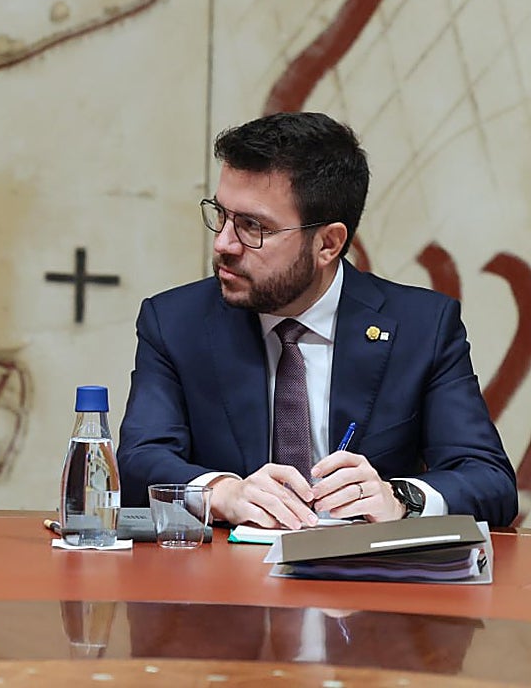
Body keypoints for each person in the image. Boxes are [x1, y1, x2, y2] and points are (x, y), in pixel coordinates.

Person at [117, 112, 516, 528]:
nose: (224, 244)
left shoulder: (421, 328)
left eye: (252, 226)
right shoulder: (175, 323)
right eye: (221, 215)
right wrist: (221, 492)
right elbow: (140, 459)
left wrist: (398, 497)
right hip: (229, 565)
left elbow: (488, 479)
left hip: (366, 566)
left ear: (328, 243)